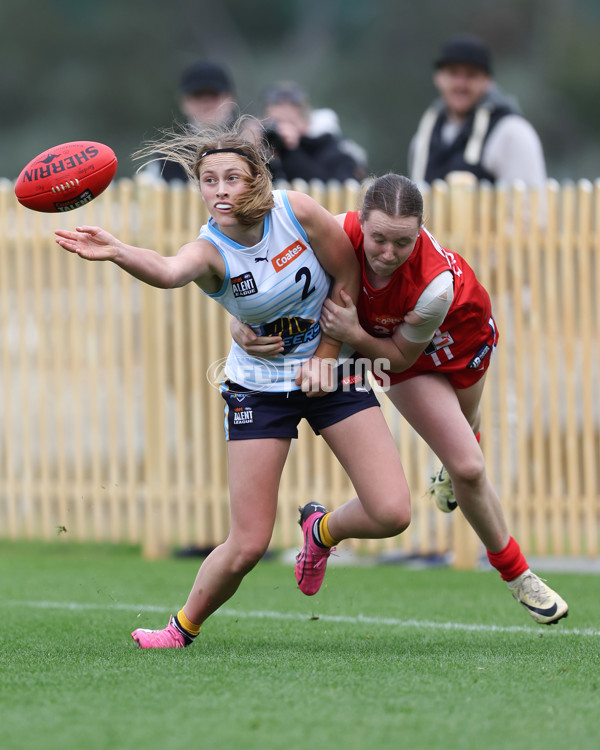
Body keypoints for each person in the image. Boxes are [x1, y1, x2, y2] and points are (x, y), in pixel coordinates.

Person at [54, 121, 411, 649]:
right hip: (258, 388)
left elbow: (347, 275)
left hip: (330, 373)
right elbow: (169, 270)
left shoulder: (298, 212)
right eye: (209, 180)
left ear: (258, 181)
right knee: (247, 545)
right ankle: (179, 629)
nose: (220, 191)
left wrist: (328, 352)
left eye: (232, 179)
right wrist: (119, 250)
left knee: (391, 513)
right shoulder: (209, 250)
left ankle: (321, 532)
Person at [231, 173, 568, 626]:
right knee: (469, 465)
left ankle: (330, 525)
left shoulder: (435, 286)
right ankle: (518, 574)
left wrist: (352, 333)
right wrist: (240, 326)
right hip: (396, 354)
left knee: (464, 447)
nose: (388, 254)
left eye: (403, 243)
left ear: (421, 232)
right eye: (378, 239)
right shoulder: (334, 231)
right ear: (361, 223)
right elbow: (278, 287)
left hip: (458, 337)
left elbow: (400, 351)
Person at [408, 34, 547, 190]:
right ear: (438, 78)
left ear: (488, 81)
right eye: (453, 73)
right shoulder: (425, 135)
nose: (460, 84)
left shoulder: (511, 132)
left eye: (471, 75)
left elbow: (528, 207)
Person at [146, 61, 239, 183]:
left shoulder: (254, 145)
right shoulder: (167, 158)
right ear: (184, 103)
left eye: (213, 95)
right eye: (198, 95)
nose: (207, 102)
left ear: (230, 99)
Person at [261, 81, 365, 183]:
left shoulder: (332, 150)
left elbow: (326, 188)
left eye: (288, 123)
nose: (280, 131)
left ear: (306, 122)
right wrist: (251, 152)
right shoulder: (263, 149)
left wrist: (290, 151)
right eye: (275, 124)